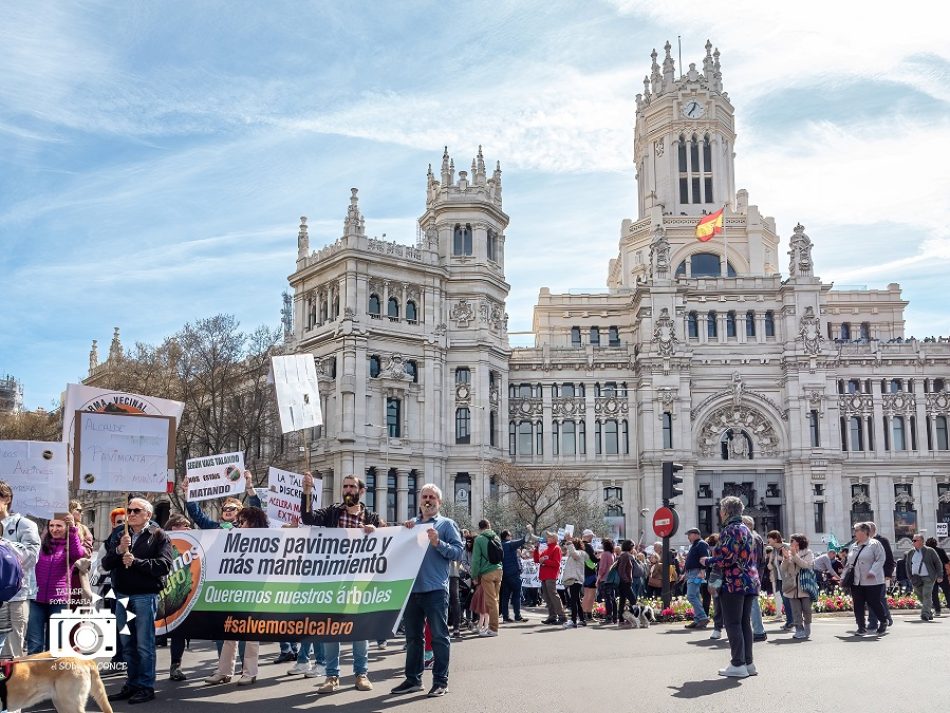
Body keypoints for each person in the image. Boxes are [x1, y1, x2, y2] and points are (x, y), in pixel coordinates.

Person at [300, 472, 380, 693]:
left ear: (361, 491)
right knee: (330, 628)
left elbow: (386, 543)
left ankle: (361, 674)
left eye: (351, 487)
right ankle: (331, 676)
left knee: (359, 630)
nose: (347, 490)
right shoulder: (332, 513)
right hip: (333, 580)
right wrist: (307, 492)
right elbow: (307, 519)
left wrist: (376, 533)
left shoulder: (371, 518)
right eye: (344, 487)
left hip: (359, 582)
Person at [392, 484, 463, 698]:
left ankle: (441, 681)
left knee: (440, 637)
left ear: (439, 502)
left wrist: (438, 543)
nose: (428, 500)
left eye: (432, 497)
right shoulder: (411, 525)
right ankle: (413, 679)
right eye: (425, 496)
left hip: (435, 590)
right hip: (412, 590)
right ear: (420, 500)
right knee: (413, 638)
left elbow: (458, 553)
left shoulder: (447, 524)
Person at [103, 497, 174, 704]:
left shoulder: (159, 535)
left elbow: (164, 565)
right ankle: (131, 684)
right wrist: (118, 550)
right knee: (127, 644)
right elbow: (106, 563)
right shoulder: (118, 533)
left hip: (144, 595)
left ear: (148, 515)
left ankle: (146, 686)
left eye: (136, 511)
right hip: (122, 595)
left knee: (144, 644)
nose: (131, 514)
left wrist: (136, 562)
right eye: (129, 510)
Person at [204, 506, 270, 687]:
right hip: (234, 591)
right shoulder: (233, 537)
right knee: (229, 632)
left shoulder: (267, 539)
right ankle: (224, 671)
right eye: (238, 522)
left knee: (250, 634)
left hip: (254, 592)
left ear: (254, 522)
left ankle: (249, 672)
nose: (239, 525)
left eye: (242, 522)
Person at [701, 496, 760, 678]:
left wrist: (708, 560)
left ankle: (737, 664)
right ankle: (748, 663)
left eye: (721, 510)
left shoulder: (731, 529)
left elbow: (728, 557)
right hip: (749, 581)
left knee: (732, 623)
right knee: (744, 624)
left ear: (726, 511)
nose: (719, 513)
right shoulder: (746, 529)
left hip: (734, 582)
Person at [27, 511, 89, 654]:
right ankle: (36, 675)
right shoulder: (41, 545)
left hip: (59, 601)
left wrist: (73, 528)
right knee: (34, 643)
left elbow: (78, 554)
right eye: (52, 525)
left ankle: (53, 675)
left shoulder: (70, 546)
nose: (54, 529)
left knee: (55, 645)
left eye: (59, 526)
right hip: (37, 599)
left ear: (66, 527)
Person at [0, 480, 40, 657]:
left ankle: (6, 684)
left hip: (14, 598)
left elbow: (31, 557)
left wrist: (2, 542)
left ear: (6, 498)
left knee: (10, 653)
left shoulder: (23, 524)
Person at [162, 513, 193, 682]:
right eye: (185, 525)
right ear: (174, 528)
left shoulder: (191, 545)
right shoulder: (161, 542)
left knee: (178, 632)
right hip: (160, 594)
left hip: (178, 594)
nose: (189, 528)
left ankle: (176, 666)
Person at [843, 521, 888, 635]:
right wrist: (843, 577)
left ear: (864, 532)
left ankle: (883, 621)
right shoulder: (853, 546)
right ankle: (861, 627)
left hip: (872, 580)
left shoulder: (874, 544)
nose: (854, 533)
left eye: (856, 530)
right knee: (858, 604)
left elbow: (880, 559)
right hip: (856, 581)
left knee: (874, 602)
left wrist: (873, 571)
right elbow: (849, 564)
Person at [470, 519, 503, 635]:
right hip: (499, 570)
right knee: (496, 600)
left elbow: (475, 560)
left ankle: (493, 629)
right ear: (489, 526)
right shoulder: (496, 537)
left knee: (491, 601)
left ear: (480, 528)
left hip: (487, 572)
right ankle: (493, 626)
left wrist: (474, 575)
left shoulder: (479, 539)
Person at [779, 533, 815, 639]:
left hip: (805, 586)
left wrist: (795, 556)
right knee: (796, 610)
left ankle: (807, 626)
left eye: (792, 541)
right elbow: (783, 569)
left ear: (798, 542)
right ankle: (799, 629)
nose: (790, 543)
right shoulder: (789, 553)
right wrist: (785, 559)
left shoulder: (808, 552)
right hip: (792, 587)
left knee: (807, 609)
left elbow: (806, 565)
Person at [903, 533, 943, 621]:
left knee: (926, 595)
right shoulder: (910, 552)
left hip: (928, 577)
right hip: (916, 579)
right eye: (912, 540)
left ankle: (924, 614)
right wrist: (910, 576)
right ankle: (929, 611)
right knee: (919, 595)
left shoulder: (930, 551)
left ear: (921, 541)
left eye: (915, 540)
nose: (913, 542)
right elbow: (908, 565)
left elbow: (938, 563)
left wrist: (940, 575)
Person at [867, 522, 895, 630]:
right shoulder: (864, 542)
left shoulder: (882, 541)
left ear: (873, 530)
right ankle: (873, 621)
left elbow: (889, 559)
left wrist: (888, 574)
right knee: (870, 599)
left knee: (880, 598)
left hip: (881, 574)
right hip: (868, 575)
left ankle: (885, 618)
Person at [533, 532, 566, 625]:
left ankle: (562, 616)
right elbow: (537, 560)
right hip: (544, 575)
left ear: (554, 539)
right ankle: (552, 616)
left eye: (550, 537)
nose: (547, 538)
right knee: (548, 597)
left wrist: (545, 560)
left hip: (550, 575)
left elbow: (556, 563)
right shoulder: (547, 549)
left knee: (553, 595)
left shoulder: (556, 548)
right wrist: (536, 550)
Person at [499, 529, 529, 623]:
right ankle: (517, 616)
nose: (511, 537)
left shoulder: (500, 545)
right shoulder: (510, 544)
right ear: (507, 536)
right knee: (516, 595)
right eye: (510, 535)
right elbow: (523, 540)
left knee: (505, 597)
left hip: (504, 574)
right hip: (513, 574)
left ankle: (505, 617)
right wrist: (529, 532)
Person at [683, 527, 710, 629]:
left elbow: (705, 558)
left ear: (695, 534)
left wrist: (702, 570)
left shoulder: (701, 544)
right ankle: (698, 619)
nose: (688, 537)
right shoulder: (696, 544)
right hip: (693, 573)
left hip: (696, 572)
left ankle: (702, 617)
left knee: (691, 596)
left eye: (689, 535)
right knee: (696, 596)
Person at [562, 537, 587, 627]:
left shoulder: (579, 553)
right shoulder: (578, 553)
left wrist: (569, 544)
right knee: (576, 600)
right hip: (576, 579)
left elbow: (574, 554)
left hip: (575, 579)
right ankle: (582, 619)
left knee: (573, 601)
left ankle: (573, 620)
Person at [925, 537, 950, 616]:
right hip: (942, 574)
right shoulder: (941, 550)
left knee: (934, 593)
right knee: (947, 592)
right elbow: (946, 561)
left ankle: (937, 610)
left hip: (931, 576)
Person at [616, 540, 637, 626]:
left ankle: (621, 619)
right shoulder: (625, 555)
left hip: (623, 582)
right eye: (633, 547)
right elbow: (621, 569)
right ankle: (631, 618)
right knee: (633, 600)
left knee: (622, 600)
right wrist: (626, 579)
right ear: (630, 547)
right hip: (625, 582)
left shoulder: (623, 555)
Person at [580, 529, 599, 622]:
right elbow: (594, 559)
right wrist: (599, 557)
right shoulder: (588, 546)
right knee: (591, 595)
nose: (592, 538)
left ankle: (584, 614)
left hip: (582, 572)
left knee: (586, 594)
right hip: (590, 572)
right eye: (591, 536)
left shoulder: (579, 546)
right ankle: (589, 614)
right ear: (587, 536)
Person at [596, 538, 616, 625]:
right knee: (612, 598)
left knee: (607, 599)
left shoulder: (604, 554)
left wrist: (598, 579)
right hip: (611, 579)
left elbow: (602, 568)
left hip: (605, 579)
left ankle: (609, 617)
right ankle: (614, 616)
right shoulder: (612, 554)